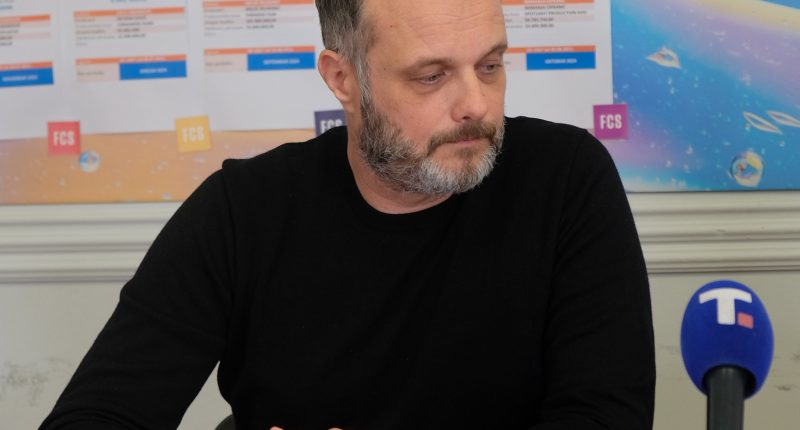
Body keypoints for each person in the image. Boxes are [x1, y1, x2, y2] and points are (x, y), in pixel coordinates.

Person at [40, 0, 655, 429]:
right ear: (343, 78)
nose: (476, 103)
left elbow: (606, 416)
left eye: (490, 66)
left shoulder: (566, 178)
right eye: (431, 76)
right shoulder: (242, 211)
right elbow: (97, 415)